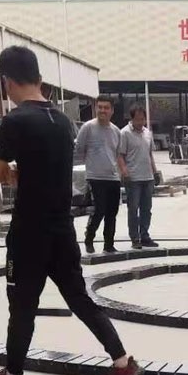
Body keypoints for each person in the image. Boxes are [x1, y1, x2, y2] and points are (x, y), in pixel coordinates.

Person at [0, 46, 140, 375]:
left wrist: (9, 173)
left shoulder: (15, 120)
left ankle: (13, 374)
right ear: (39, 78)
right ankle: (121, 362)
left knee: (22, 304)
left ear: (7, 81)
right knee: (79, 298)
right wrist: (21, 173)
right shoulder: (63, 121)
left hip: (29, 233)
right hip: (62, 228)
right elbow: (46, 169)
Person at [74, 94, 122, 255]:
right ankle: (89, 237)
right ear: (95, 108)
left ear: (112, 110)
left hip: (113, 177)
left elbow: (117, 154)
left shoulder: (116, 131)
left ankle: (109, 244)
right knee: (99, 209)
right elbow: (79, 150)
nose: (102, 110)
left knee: (112, 213)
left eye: (106, 108)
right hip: (95, 177)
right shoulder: (87, 127)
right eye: (99, 107)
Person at [118, 105, 159, 249]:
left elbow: (150, 154)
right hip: (133, 178)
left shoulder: (147, 133)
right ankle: (135, 238)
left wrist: (155, 172)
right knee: (133, 209)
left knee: (146, 209)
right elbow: (120, 155)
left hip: (147, 177)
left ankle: (145, 236)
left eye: (143, 119)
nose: (140, 122)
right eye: (138, 119)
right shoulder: (124, 133)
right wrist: (124, 171)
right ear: (132, 119)